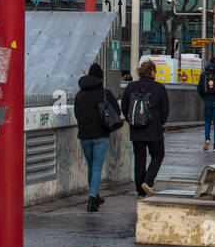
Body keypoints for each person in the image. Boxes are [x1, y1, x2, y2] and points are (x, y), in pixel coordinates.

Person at [73, 63, 122, 212]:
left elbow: (77, 114)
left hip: (85, 136)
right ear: (101, 79)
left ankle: (95, 195)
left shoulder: (79, 95)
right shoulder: (105, 93)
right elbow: (117, 111)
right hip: (101, 135)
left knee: (91, 166)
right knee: (97, 167)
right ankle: (92, 199)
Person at [122, 59, 171, 197]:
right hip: (154, 130)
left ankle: (140, 190)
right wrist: (159, 123)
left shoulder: (131, 87)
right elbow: (165, 109)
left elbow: (124, 107)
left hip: (136, 130)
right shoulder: (159, 87)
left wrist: (132, 121)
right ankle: (148, 181)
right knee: (158, 155)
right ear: (152, 72)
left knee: (139, 159)